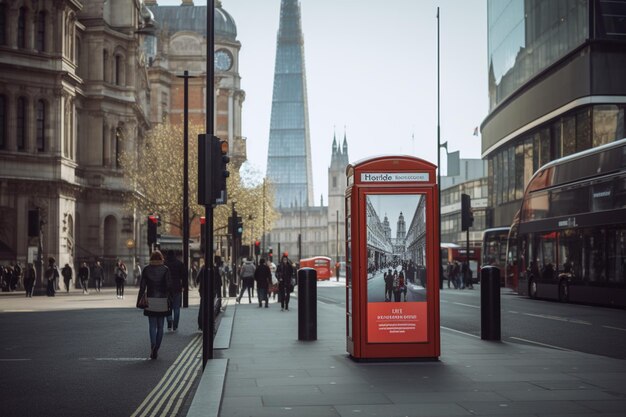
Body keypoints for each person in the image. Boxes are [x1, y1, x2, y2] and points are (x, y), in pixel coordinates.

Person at [137, 250, 172, 360]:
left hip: (150, 300)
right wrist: (169, 299)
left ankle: (152, 346)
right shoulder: (165, 269)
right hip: (162, 300)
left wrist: (139, 300)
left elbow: (142, 286)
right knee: (161, 326)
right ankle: (157, 347)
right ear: (161, 258)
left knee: (152, 326)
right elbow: (169, 286)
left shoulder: (146, 269)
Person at [165, 250, 185, 331]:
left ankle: (169, 323)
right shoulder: (179, 263)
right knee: (176, 307)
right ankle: (175, 325)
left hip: (166, 288)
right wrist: (183, 286)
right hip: (177, 287)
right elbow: (183, 276)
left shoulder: (165, 264)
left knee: (167, 306)